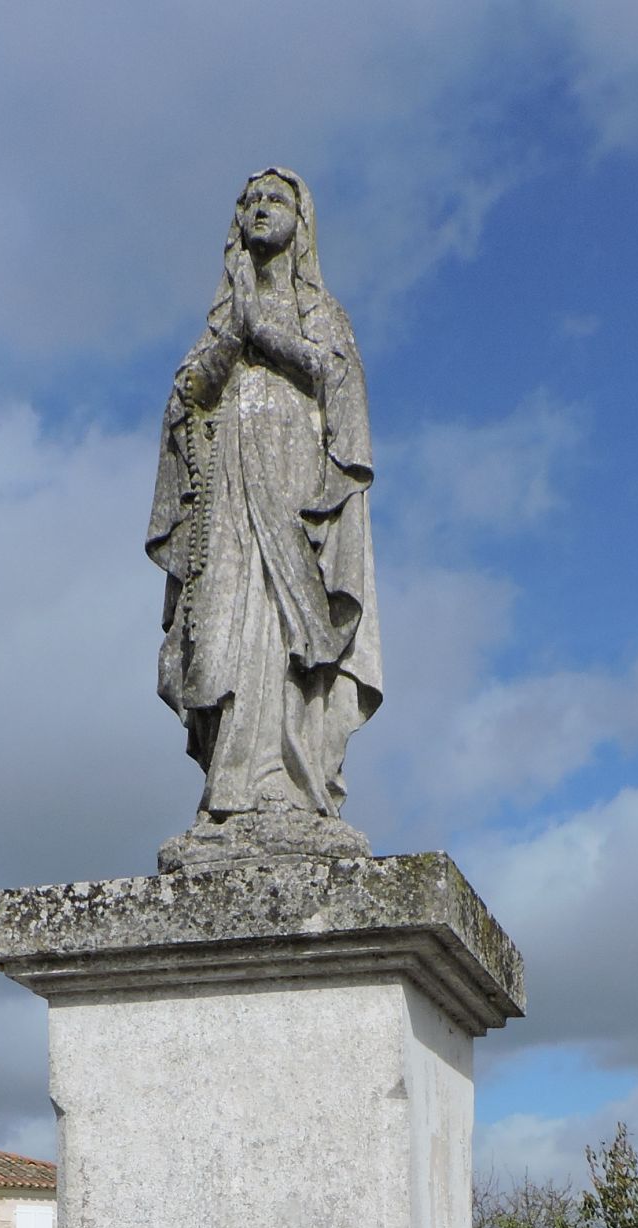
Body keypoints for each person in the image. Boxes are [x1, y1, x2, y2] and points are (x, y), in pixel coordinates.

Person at [148, 170, 382, 845]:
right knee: (221, 631)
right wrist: (233, 336)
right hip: (227, 503)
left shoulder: (321, 312)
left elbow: (339, 383)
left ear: (301, 221)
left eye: (275, 200)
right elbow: (185, 398)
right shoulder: (223, 322)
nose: (260, 209)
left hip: (298, 498)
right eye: (250, 202)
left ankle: (290, 784)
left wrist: (265, 332)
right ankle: (229, 790)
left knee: (288, 635)